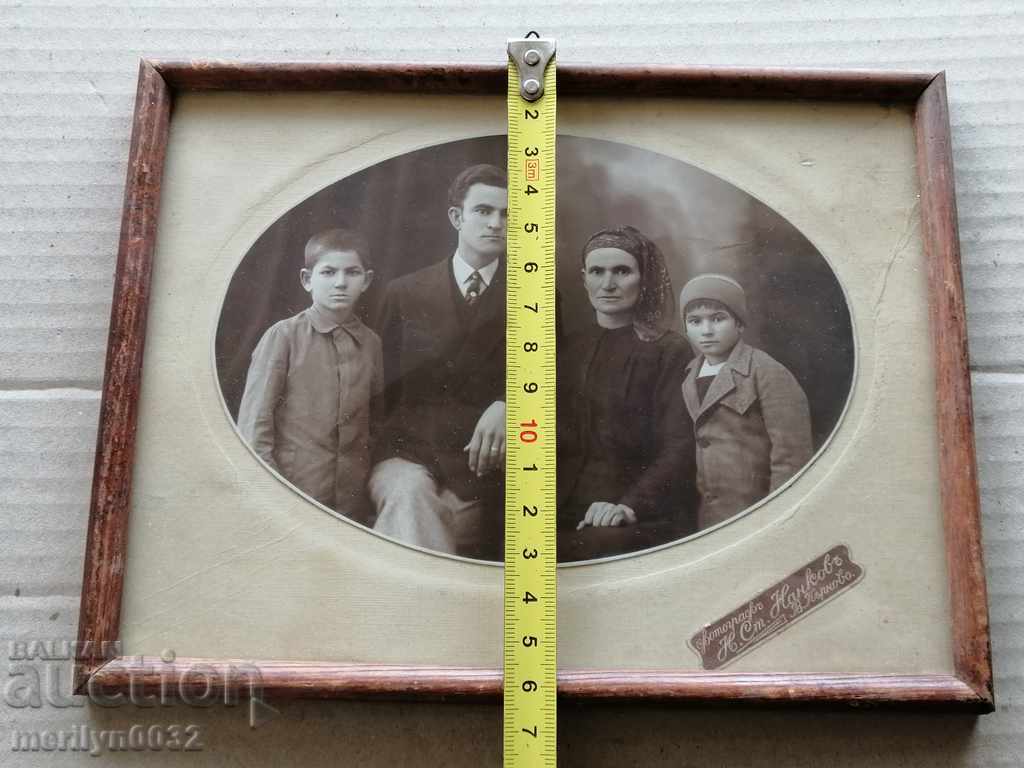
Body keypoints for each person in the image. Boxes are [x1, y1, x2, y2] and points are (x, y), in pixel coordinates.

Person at [369, 164, 508, 560]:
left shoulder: (537, 294)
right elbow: (379, 393)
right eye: (483, 211)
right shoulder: (404, 292)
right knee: (410, 498)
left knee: (438, 524)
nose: (496, 223)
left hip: (481, 468)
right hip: (406, 458)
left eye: (508, 214)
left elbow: (557, 383)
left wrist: (509, 402)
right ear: (456, 217)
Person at [557, 226, 697, 561]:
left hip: (634, 508)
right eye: (597, 272)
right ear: (583, 278)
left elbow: (679, 446)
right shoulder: (569, 347)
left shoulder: (669, 350)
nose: (608, 284)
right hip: (564, 502)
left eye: (622, 271)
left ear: (643, 278)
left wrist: (629, 506)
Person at [237, 228, 383, 522]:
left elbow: (376, 423)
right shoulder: (283, 336)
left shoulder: (371, 343)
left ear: (366, 280)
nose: (340, 282)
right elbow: (253, 429)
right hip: (293, 497)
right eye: (328, 272)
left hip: (352, 505)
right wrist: (276, 497)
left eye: (352, 272)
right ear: (307, 279)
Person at [679, 273, 813, 529]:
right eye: (695, 321)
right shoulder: (689, 374)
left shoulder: (766, 371)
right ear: (686, 327)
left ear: (739, 324)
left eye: (718, 319)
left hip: (754, 511)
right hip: (707, 515)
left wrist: (777, 515)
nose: (706, 330)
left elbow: (792, 457)